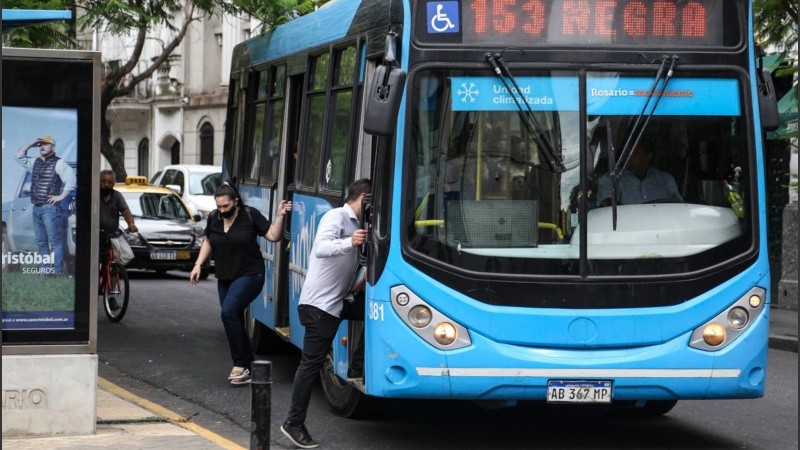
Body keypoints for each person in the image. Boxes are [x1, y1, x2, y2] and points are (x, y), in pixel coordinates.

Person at [280, 178, 372, 450]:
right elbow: (320, 248)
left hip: (338, 302)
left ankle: (357, 367)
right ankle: (293, 423)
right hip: (319, 306)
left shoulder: (360, 225)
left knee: (377, 313)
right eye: (372, 203)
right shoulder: (337, 216)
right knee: (310, 365)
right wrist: (349, 242)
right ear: (363, 198)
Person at [189, 182, 291, 386]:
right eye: (218, 206)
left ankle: (240, 364)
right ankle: (249, 365)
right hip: (225, 276)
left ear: (235, 202)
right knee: (232, 317)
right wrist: (198, 264)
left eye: (225, 206)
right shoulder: (214, 218)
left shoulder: (250, 215)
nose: (221, 210)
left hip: (250, 274)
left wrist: (280, 216)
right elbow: (209, 241)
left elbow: (273, 236)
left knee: (228, 312)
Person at [14, 135, 77, 276]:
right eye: (41, 144)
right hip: (36, 208)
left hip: (50, 209)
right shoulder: (34, 162)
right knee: (41, 242)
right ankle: (44, 272)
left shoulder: (59, 163)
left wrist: (60, 196)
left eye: (46, 144)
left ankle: (57, 272)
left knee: (55, 242)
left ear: (53, 147)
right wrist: (32, 143)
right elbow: (18, 155)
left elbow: (71, 180)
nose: (42, 146)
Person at [595, 145, 682, 206]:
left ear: (648, 155)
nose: (628, 156)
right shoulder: (611, 179)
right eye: (626, 152)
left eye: (634, 152)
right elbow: (609, 208)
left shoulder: (666, 180)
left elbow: (680, 208)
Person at [99, 170, 139, 236]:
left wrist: (131, 224)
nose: (106, 184)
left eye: (109, 182)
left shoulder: (117, 196)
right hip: (95, 237)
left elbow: (126, 211)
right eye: (103, 182)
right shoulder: (93, 196)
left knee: (125, 247)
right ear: (99, 182)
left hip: (113, 236)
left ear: (113, 184)